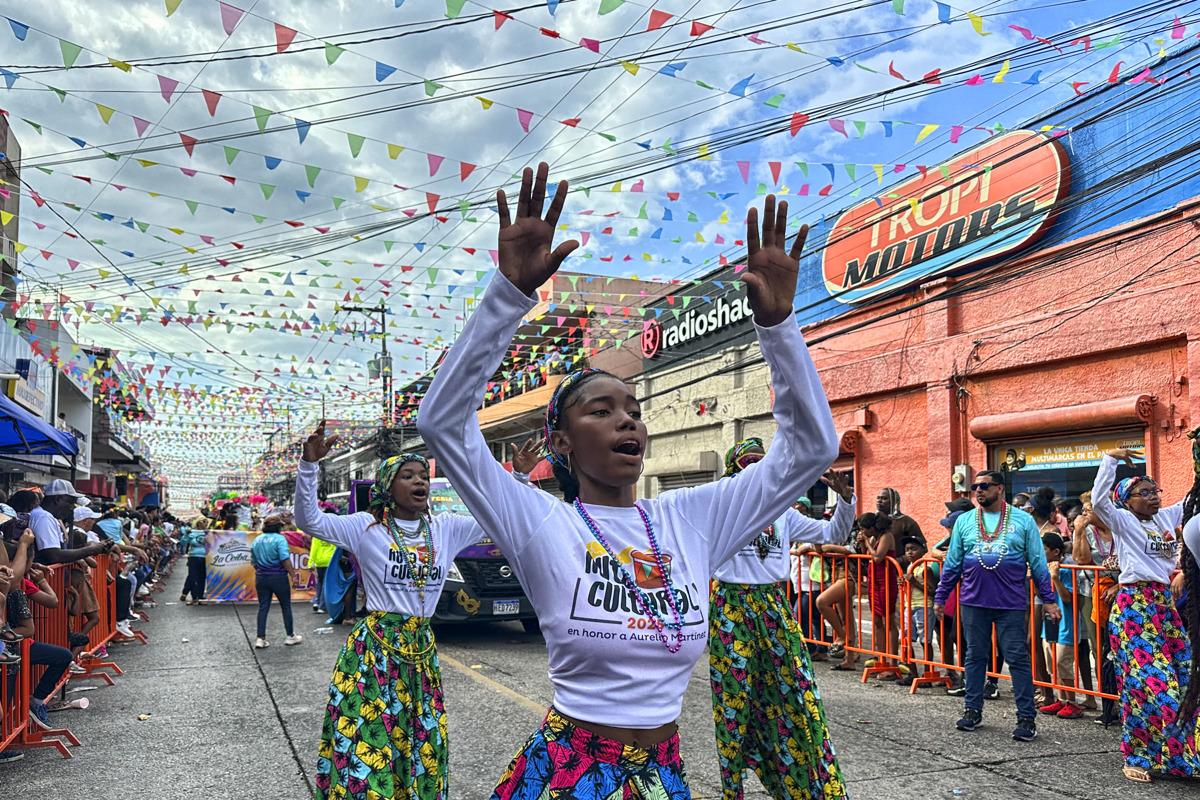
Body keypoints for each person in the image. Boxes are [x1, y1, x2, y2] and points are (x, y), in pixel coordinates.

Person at [417, 165, 838, 797]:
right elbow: (442, 422)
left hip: (662, 776)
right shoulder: (539, 520)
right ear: (561, 442)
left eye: (634, 411)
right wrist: (507, 295)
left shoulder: (691, 520)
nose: (627, 421)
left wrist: (777, 328)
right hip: (568, 773)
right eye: (602, 410)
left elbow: (811, 449)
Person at [709, 437, 852, 800]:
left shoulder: (783, 511)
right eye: (749, 462)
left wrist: (845, 501)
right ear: (734, 469)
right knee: (734, 698)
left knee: (796, 690)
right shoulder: (719, 504)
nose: (758, 467)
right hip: (731, 604)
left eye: (763, 460)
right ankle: (733, 788)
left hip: (773, 604)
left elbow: (832, 534)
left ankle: (806, 782)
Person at [1091, 447, 1200, 782]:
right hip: (1134, 609)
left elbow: (1192, 498)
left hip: (1164, 608)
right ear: (1127, 500)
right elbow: (1098, 500)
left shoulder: (1164, 519)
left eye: (1155, 491)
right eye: (1145, 492)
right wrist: (1110, 459)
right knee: (1154, 685)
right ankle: (1137, 756)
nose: (1153, 497)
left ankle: (1179, 759)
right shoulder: (1122, 521)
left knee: (1186, 679)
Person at [934, 470, 1060, 742]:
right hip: (973, 602)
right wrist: (941, 596)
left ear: (1000, 488)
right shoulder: (965, 521)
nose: (978, 490)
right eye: (975, 487)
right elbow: (953, 562)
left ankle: (1026, 718)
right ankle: (972, 711)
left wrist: (1049, 600)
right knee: (974, 656)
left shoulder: (1023, 521)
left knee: (1017, 658)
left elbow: (1038, 562)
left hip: (1010, 604)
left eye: (984, 486)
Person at [1038, 532, 1083, 720]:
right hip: (1050, 623)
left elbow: (1068, 598)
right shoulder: (1044, 568)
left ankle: (1072, 702)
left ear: (1056, 552)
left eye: (1044, 549)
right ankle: (1061, 698)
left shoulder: (1066, 569)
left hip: (1067, 624)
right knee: (1052, 663)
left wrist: (1055, 578)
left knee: (1062, 662)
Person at [31, 480, 113, 566]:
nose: (72, 508)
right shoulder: (44, 517)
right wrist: (91, 550)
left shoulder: (46, 516)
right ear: (58, 499)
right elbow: (54, 555)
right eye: (70, 503)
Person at [251, 514, 301, 649]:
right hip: (278, 577)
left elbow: (254, 562)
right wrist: (293, 575)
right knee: (285, 606)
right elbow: (284, 559)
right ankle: (290, 636)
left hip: (261, 577)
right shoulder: (280, 539)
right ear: (278, 527)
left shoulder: (257, 540)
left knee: (263, 606)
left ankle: (260, 638)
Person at [180, 517, 209, 605]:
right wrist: (186, 534)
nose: (204, 524)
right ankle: (194, 597)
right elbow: (183, 542)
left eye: (206, 522)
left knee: (202, 577)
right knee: (193, 576)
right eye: (203, 522)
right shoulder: (192, 533)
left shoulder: (209, 533)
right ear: (198, 523)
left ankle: (200, 596)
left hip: (205, 557)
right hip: (193, 557)